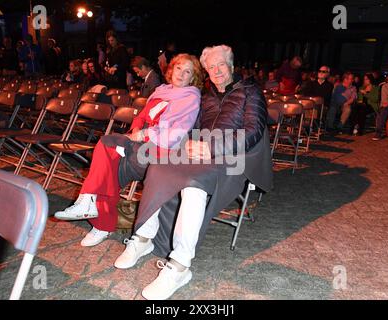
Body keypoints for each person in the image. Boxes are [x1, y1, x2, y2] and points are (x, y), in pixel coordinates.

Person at [114, 45, 273, 300]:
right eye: (211, 67)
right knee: (158, 167)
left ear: (231, 66)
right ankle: (144, 237)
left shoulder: (250, 92)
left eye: (221, 64)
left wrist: (211, 146)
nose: (217, 70)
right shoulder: (206, 95)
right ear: (206, 71)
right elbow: (193, 127)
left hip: (235, 159)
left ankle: (179, 265)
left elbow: (253, 132)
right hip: (200, 152)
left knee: (192, 185)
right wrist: (189, 141)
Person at [54, 53, 203, 247]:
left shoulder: (190, 97)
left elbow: (175, 134)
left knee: (108, 158)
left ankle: (97, 216)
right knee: (106, 154)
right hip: (141, 143)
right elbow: (141, 117)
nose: (181, 74)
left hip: (164, 150)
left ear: (193, 78)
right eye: (178, 68)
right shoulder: (161, 90)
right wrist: (135, 133)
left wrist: (141, 136)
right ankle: (91, 208)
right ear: (171, 69)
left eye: (187, 72)